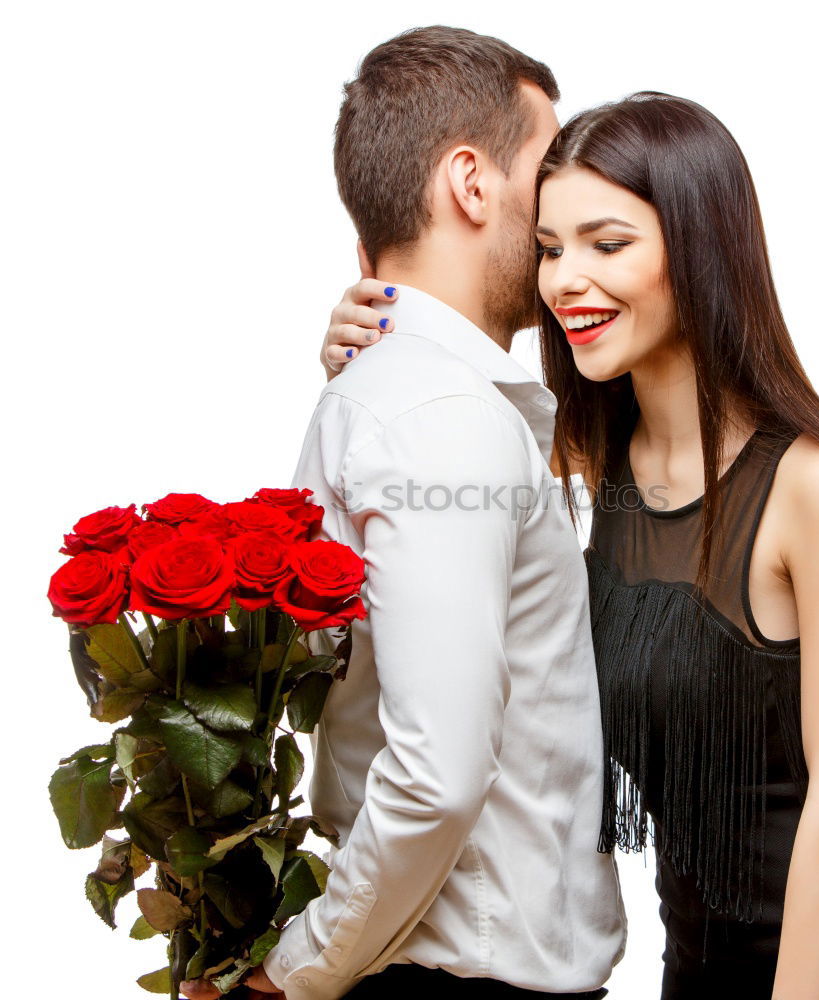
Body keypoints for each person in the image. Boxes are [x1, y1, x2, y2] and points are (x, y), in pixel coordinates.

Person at [323, 93, 819, 998]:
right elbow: (431, 414)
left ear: (699, 249)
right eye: (548, 249)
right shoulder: (589, 453)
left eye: (607, 244)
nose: (564, 281)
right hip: (697, 964)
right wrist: (363, 342)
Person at [181, 26, 625, 1000]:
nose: (565, 209)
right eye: (544, 172)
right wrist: (294, 972)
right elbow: (436, 771)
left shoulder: (410, 396)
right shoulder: (438, 411)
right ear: (471, 183)